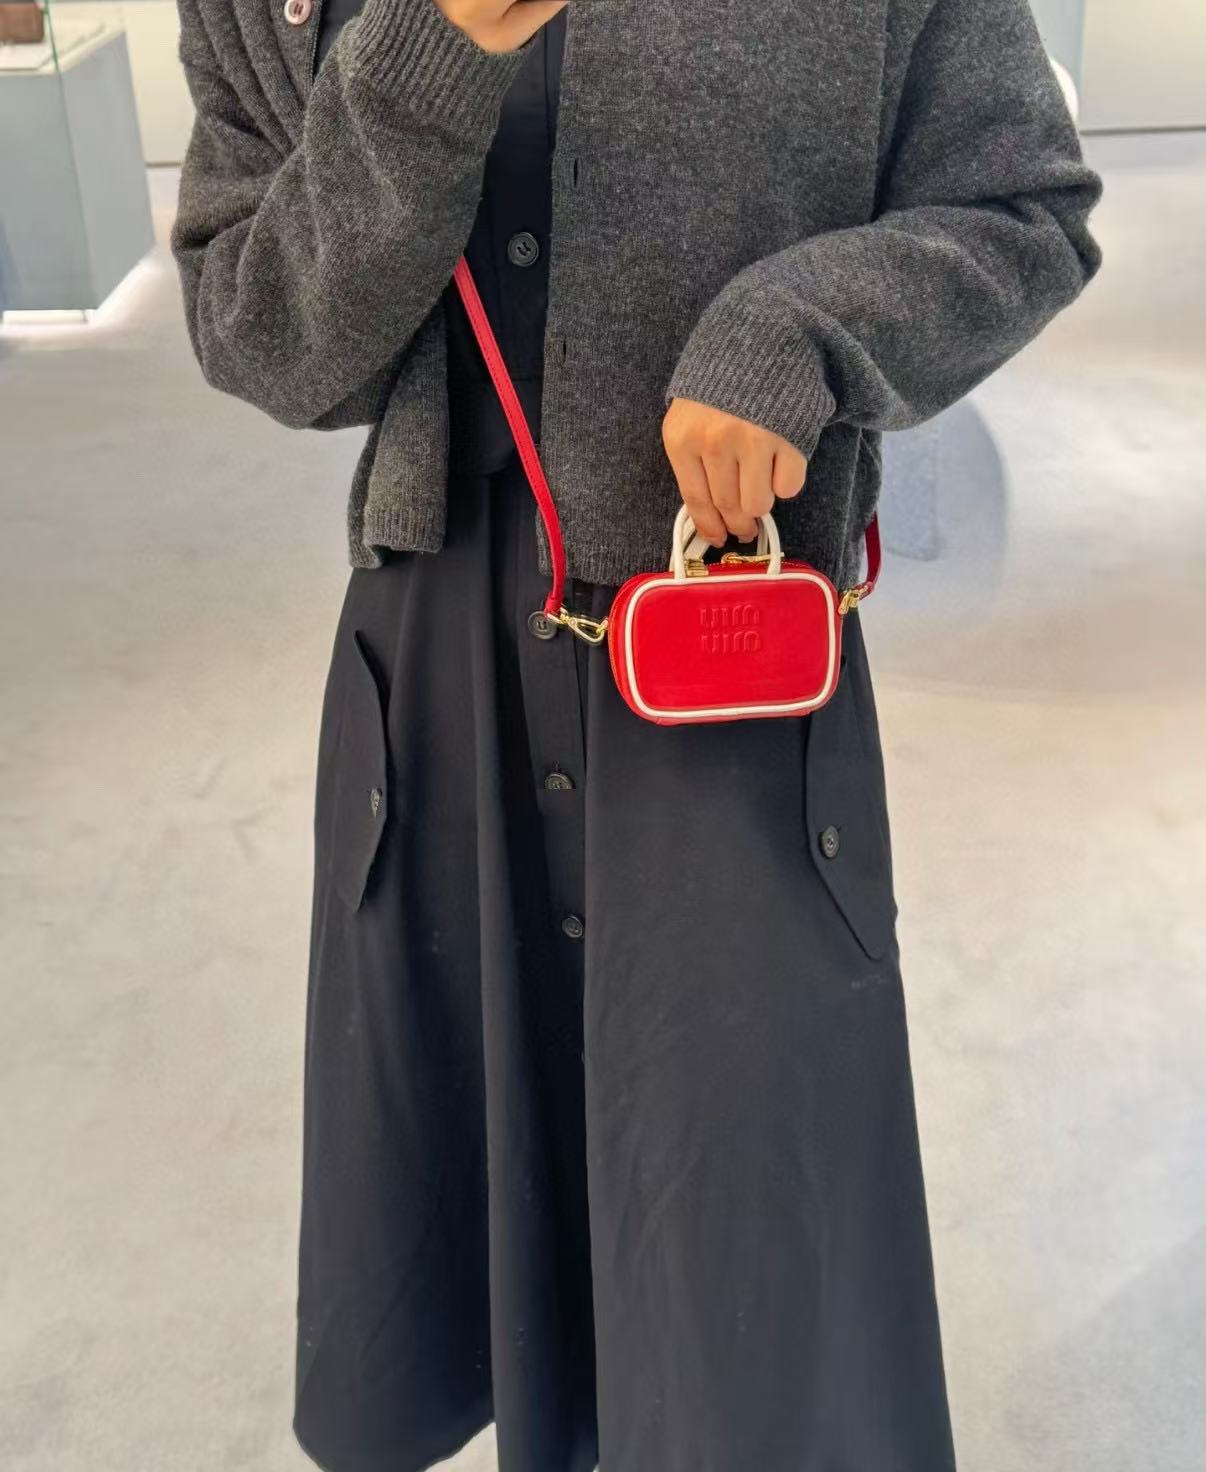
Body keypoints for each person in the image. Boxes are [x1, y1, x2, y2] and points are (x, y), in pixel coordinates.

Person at [170, 2, 1103, 1469]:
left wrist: (799, 329)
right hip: (440, 661)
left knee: (747, 1262)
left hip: (726, 655)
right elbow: (270, 340)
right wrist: (429, 59)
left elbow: (1023, 206)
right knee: (484, 1216)